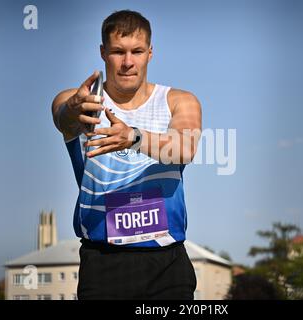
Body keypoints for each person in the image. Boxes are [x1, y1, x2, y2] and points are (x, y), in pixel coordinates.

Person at [51, 10, 202, 300]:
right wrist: (73, 109)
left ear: (150, 53)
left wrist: (133, 137)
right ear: (103, 52)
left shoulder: (179, 101)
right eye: (118, 52)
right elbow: (63, 119)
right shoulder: (80, 100)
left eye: (137, 51)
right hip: (102, 261)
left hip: (167, 262)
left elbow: (186, 147)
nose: (128, 62)